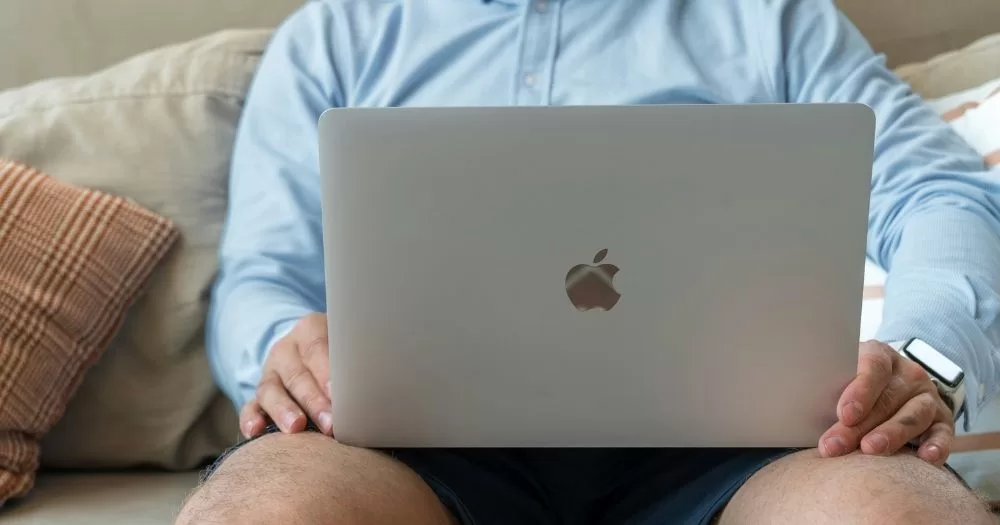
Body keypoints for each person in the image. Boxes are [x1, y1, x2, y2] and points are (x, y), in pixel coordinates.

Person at [177, 0, 1000, 523]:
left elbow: (939, 193)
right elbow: (262, 277)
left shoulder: (771, 18)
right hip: (402, 445)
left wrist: (923, 359)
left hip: (745, 446)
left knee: (896, 514)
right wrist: (289, 344)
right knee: (264, 513)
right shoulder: (332, 35)